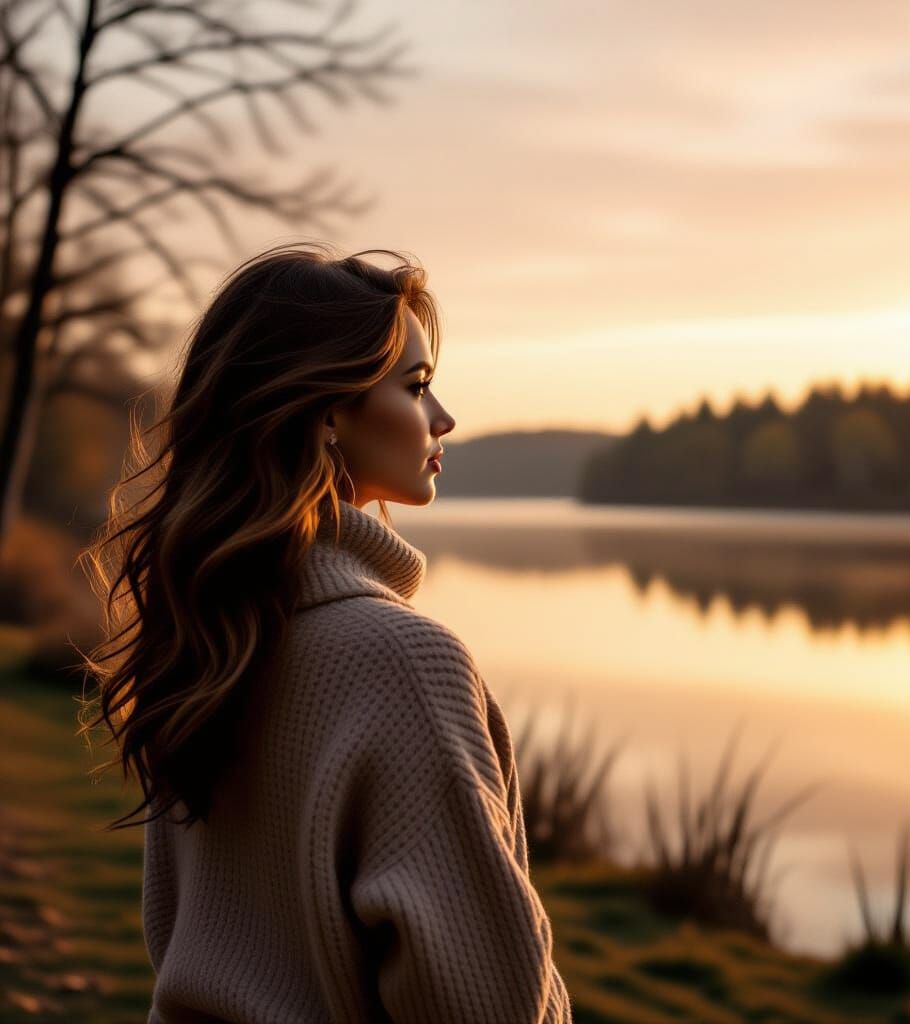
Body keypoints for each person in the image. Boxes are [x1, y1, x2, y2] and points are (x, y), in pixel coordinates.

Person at [77, 243, 574, 1023]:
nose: (443, 419)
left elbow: (179, 931)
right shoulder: (403, 661)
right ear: (328, 412)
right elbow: (487, 1002)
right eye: (414, 387)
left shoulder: (206, 644)